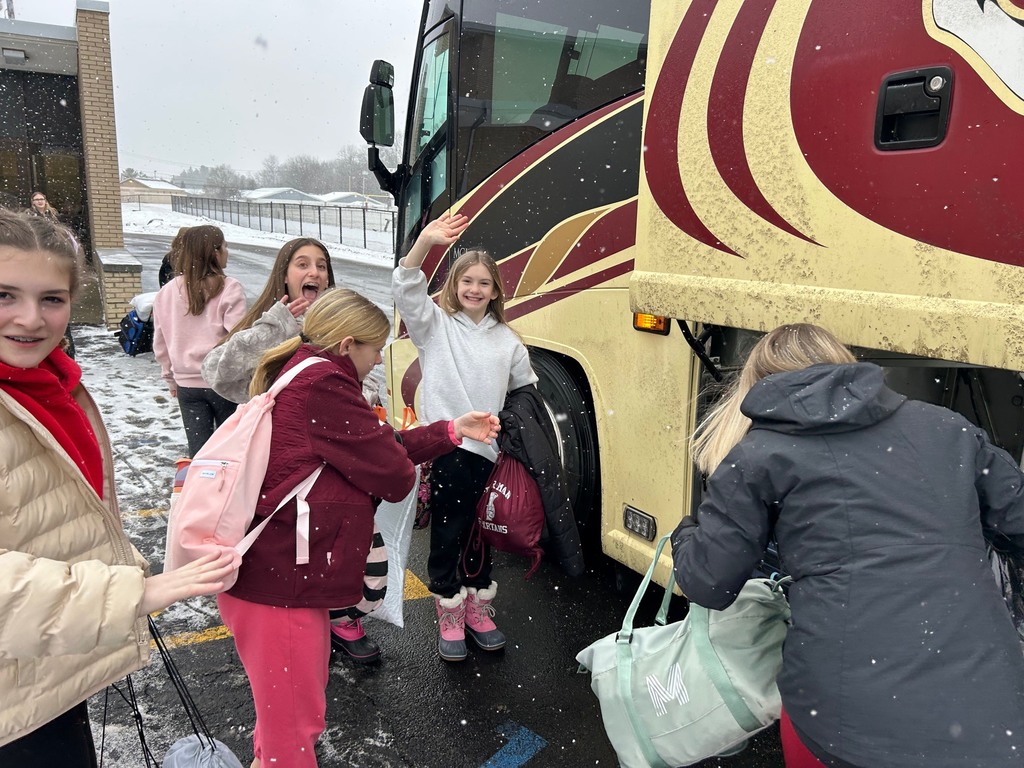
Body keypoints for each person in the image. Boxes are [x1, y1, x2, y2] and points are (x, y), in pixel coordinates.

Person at [671, 323, 1024, 768]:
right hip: (990, 713)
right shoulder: (947, 427)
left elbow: (708, 583)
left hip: (845, 724)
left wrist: (686, 535)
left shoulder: (760, 454)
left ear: (759, 383)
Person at [216, 288, 499, 768]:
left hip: (269, 577)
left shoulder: (304, 371)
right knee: (293, 731)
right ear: (348, 344)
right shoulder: (327, 385)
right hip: (280, 586)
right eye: (375, 350)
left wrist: (451, 431)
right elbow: (393, 475)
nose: (375, 364)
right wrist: (385, 464)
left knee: (282, 721)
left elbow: (376, 445)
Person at [0, 209, 237, 765]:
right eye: (4, 294)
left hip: (45, 664)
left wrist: (117, 563)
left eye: (52, 299)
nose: (31, 319)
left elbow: (50, 517)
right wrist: (130, 595)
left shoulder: (52, 386)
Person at [201, 237, 384, 662]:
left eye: (322, 265)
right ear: (284, 273)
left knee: (338, 544)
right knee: (293, 551)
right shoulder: (272, 321)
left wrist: (369, 405)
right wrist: (278, 324)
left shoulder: (343, 324)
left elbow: (369, 377)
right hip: (282, 468)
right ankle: (287, 625)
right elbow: (218, 373)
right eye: (302, 264)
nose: (314, 273)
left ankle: (339, 617)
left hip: (338, 462)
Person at [392, 212, 538, 662]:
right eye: (466, 282)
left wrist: (511, 429)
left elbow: (524, 390)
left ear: (496, 291)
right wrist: (425, 243)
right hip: (448, 447)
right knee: (449, 532)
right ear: (454, 285)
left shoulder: (509, 340)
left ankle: (478, 606)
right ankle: (448, 609)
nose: (474, 290)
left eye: (484, 283)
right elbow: (406, 284)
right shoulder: (435, 328)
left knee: (483, 533)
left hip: (489, 452)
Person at [152, 225, 246, 457]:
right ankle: (229, 492)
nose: (227, 251)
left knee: (200, 453)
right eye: (224, 246)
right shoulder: (229, 288)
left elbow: (160, 342)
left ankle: (202, 490)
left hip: (187, 387)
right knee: (230, 451)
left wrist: (170, 378)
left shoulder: (166, 292)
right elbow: (238, 340)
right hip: (222, 383)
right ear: (214, 252)